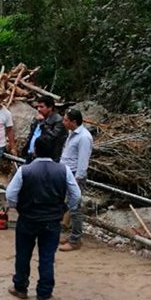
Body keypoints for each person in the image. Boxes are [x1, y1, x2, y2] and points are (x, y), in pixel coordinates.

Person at [6, 134, 82, 300]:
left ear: (35, 151)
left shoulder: (24, 170)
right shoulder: (64, 170)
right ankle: (44, 294)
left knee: (23, 254)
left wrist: (19, 207)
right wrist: (63, 208)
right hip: (52, 220)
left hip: (27, 218)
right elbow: (76, 196)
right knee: (47, 257)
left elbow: (10, 195)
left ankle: (20, 287)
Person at [58, 108, 93, 252]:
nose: (63, 122)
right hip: (67, 172)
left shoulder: (84, 137)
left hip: (74, 175)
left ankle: (75, 239)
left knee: (75, 208)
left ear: (73, 121)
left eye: (66, 120)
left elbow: (83, 161)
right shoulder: (72, 134)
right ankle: (72, 234)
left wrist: (77, 179)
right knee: (66, 205)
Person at [22, 95, 65, 162]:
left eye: (42, 107)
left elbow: (53, 137)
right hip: (30, 155)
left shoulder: (58, 121)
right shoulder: (38, 118)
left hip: (46, 159)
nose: (38, 109)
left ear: (50, 107)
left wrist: (43, 123)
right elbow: (32, 134)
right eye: (37, 107)